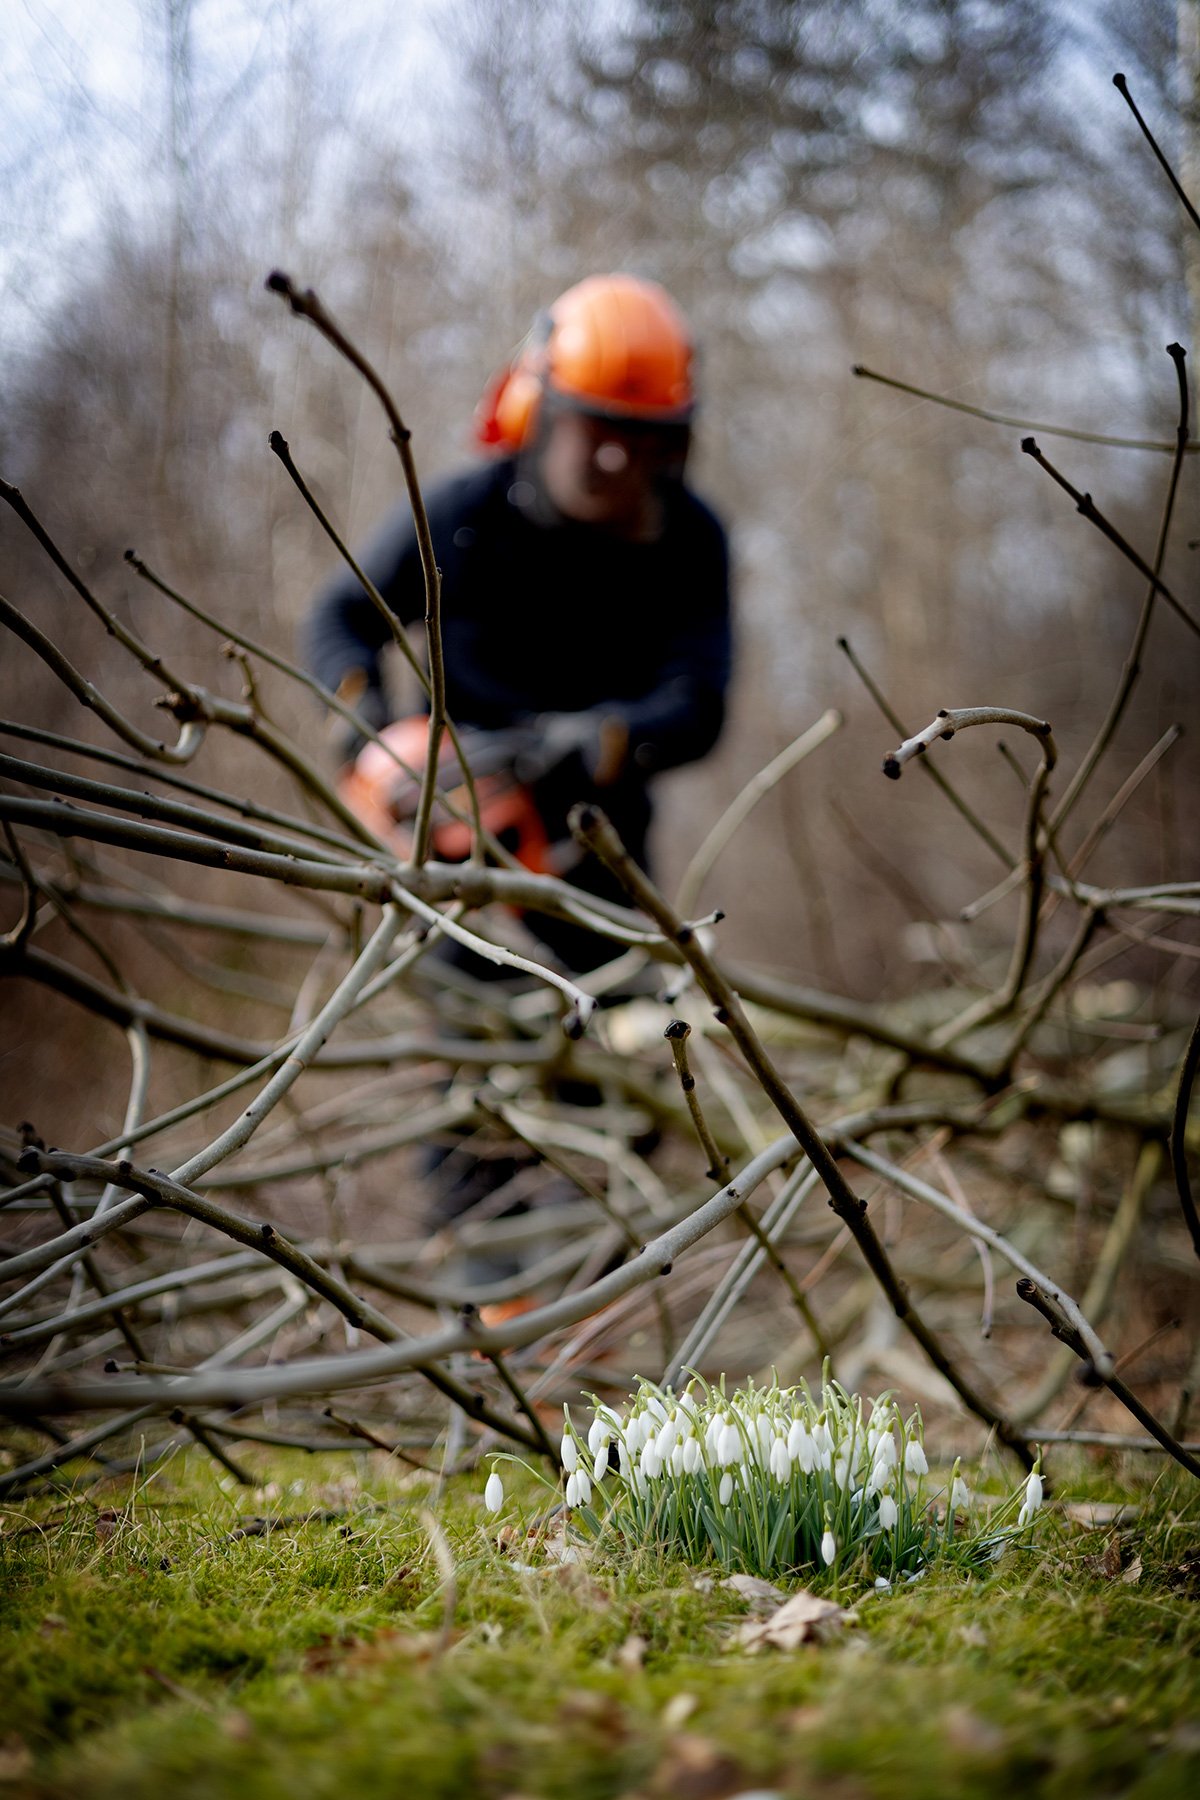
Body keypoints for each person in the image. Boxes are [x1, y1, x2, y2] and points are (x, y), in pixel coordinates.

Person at [305, 272, 732, 974]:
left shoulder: (687, 539)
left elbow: (700, 704)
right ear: (546, 410)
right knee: (473, 1059)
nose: (617, 459)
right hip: (457, 856)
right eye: (597, 428)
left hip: (602, 861)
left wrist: (608, 738)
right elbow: (341, 615)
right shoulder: (463, 514)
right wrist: (367, 733)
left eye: (641, 438)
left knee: (613, 1050)